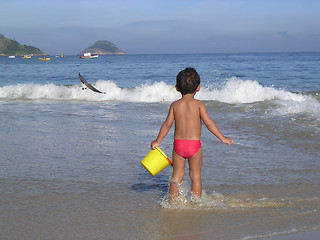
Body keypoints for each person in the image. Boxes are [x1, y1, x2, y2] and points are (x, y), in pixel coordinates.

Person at [150, 67, 233, 202]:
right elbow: (209, 124)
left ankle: (172, 202)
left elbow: (167, 125)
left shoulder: (175, 105)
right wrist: (223, 138)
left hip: (178, 146)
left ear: (176, 88)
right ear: (199, 87)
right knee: (195, 176)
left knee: (176, 176)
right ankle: (196, 203)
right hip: (194, 146)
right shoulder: (199, 105)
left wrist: (157, 141)